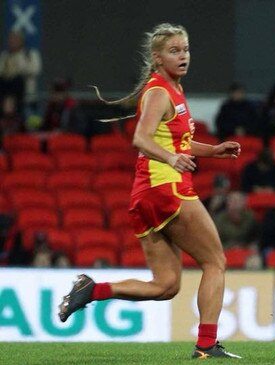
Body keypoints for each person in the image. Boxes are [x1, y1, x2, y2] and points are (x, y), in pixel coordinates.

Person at [56, 23, 241, 360]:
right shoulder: (159, 92)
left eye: (185, 50)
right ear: (157, 58)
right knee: (215, 262)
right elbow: (140, 138)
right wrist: (172, 158)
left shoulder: (172, 90)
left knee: (166, 286)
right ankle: (206, 346)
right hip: (166, 188)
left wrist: (212, 151)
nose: (183, 56)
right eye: (174, 51)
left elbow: (175, 141)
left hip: (145, 194)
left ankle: (91, 290)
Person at [0, 30, 42, 117]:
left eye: (15, 38)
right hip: (6, 101)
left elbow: (36, 70)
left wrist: (18, 69)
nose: (12, 41)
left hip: (27, 99)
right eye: (11, 38)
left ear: (22, 40)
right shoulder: (5, 55)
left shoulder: (30, 54)